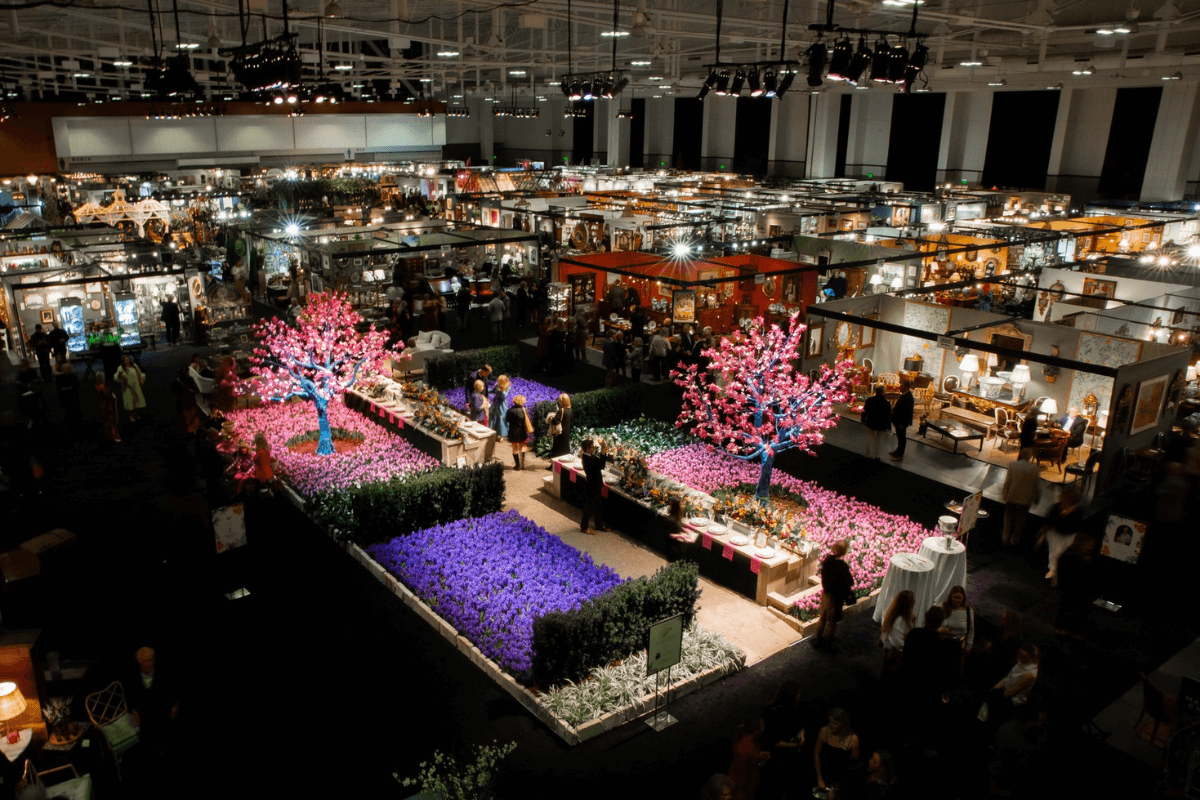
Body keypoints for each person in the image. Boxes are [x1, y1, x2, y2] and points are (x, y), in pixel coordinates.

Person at [127, 646, 180, 759]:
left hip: (162, 710)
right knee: (147, 742)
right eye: (147, 660)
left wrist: (175, 704)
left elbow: (175, 689)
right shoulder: (132, 677)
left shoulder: (164, 672)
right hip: (144, 714)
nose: (151, 662)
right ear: (140, 662)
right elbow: (130, 696)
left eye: (151, 659)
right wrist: (134, 711)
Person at [1054, 535, 1098, 639]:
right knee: (1067, 608)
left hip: (1081, 591)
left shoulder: (1087, 557)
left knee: (1079, 611)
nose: (1091, 547)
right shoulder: (1070, 556)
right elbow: (1064, 573)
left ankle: (1073, 630)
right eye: (1089, 544)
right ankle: (1063, 628)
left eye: (1092, 545)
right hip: (1071, 589)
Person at [813, 540, 853, 649]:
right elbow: (849, 581)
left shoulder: (828, 561)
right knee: (832, 621)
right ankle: (827, 643)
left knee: (822, 618)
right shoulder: (842, 566)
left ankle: (818, 639)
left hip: (826, 594)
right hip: (836, 598)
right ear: (844, 552)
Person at [1039, 487, 1083, 584]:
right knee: (1055, 554)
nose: (1066, 499)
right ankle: (1054, 575)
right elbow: (1049, 522)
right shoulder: (1056, 508)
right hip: (1055, 534)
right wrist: (1042, 534)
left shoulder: (1077, 511)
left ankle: (1056, 573)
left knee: (1059, 554)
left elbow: (1078, 527)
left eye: (1069, 497)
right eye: (1065, 497)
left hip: (1069, 536)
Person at [988, 644, 1039, 726]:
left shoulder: (1029, 674)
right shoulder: (1021, 661)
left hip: (1012, 700)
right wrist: (995, 688)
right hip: (1004, 691)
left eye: (1024, 657)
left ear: (1033, 658)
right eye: (1020, 656)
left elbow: (1012, 693)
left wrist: (994, 695)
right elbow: (1007, 678)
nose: (1020, 659)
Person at [1001, 447, 1041, 547]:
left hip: (1013, 495)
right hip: (1026, 498)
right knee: (1021, 518)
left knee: (1008, 516)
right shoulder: (1035, 468)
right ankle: (1015, 538)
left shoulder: (1013, 465)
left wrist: (1005, 493)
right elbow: (1037, 486)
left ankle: (1005, 536)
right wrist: (1037, 498)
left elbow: (1008, 482)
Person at [814, 708, 859, 794]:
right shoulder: (824, 731)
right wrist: (820, 779)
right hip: (821, 775)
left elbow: (854, 764)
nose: (831, 725)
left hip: (841, 781)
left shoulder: (853, 739)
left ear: (843, 724)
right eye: (830, 721)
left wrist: (839, 786)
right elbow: (816, 755)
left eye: (835, 723)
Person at [727, 718, 770, 800]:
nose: (764, 727)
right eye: (762, 725)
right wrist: (762, 761)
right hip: (743, 787)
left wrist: (759, 756)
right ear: (756, 729)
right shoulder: (748, 745)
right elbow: (747, 767)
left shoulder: (745, 739)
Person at [880, 589, 916, 676]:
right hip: (895, 654)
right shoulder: (898, 621)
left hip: (896, 651)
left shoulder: (902, 617)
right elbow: (898, 643)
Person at [579, 438, 612, 534]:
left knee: (598, 506)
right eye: (592, 447)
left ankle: (599, 525)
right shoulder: (587, 459)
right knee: (589, 507)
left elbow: (600, 464)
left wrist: (602, 452)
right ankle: (584, 527)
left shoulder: (589, 456)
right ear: (587, 449)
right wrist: (602, 452)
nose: (594, 448)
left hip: (595, 485)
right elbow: (601, 465)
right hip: (592, 486)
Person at [939, 585, 976, 666]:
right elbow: (936, 625)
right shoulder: (944, 607)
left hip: (959, 646)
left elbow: (971, 630)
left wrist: (968, 646)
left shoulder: (968, 611)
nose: (957, 600)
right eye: (955, 597)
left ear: (963, 598)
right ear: (950, 597)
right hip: (944, 644)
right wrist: (941, 630)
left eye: (959, 598)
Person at [114, 354, 147, 423]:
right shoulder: (121, 368)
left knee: (136, 401)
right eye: (125, 360)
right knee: (130, 401)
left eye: (128, 359)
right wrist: (120, 376)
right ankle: (131, 415)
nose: (127, 361)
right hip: (127, 388)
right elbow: (117, 377)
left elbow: (139, 373)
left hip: (136, 386)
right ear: (123, 361)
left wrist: (141, 380)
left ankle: (135, 414)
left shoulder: (134, 366)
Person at [862, 386, 892, 461]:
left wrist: (863, 419)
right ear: (882, 392)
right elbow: (888, 416)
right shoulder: (887, 403)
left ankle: (867, 454)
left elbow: (865, 410)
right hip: (881, 424)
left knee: (869, 438)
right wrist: (889, 426)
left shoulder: (870, 400)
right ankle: (877, 455)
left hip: (871, 421)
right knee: (879, 440)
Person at [505, 394, 532, 471]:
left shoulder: (510, 411)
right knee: (522, 447)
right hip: (522, 432)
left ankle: (517, 466)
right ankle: (522, 463)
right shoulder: (524, 410)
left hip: (513, 432)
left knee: (514, 449)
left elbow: (507, 420)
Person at [890, 381, 915, 461]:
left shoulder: (908, 397)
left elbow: (907, 412)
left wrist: (903, 423)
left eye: (902, 386)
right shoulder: (905, 395)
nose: (900, 387)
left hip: (902, 422)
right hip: (898, 421)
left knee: (902, 438)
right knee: (899, 437)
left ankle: (900, 455)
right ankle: (898, 450)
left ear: (906, 387)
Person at [95, 372, 121, 443]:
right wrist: (113, 397)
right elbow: (108, 395)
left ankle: (109, 435)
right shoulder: (102, 386)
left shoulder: (96, 385)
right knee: (112, 421)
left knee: (106, 421)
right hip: (108, 406)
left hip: (102, 406)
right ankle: (114, 436)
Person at [54, 361, 81, 428]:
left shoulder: (72, 375)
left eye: (67, 368)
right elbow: (58, 386)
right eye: (64, 368)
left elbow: (77, 384)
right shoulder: (60, 377)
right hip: (65, 394)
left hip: (71, 394)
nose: (65, 369)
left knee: (74, 408)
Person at [547, 393, 573, 461]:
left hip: (559, 432)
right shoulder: (570, 410)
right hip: (566, 432)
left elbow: (555, 421)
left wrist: (551, 417)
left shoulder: (562, 410)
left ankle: (554, 465)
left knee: (556, 449)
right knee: (564, 450)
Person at [489, 375, 512, 440]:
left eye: (499, 381)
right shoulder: (497, 385)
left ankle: (502, 435)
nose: (497, 381)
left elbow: (504, 396)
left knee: (501, 418)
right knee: (494, 417)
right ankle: (494, 433)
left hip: (502, 405)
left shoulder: (508, 387)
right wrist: (485, 389)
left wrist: (501, 390)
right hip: (495, 403)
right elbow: (493, 391)